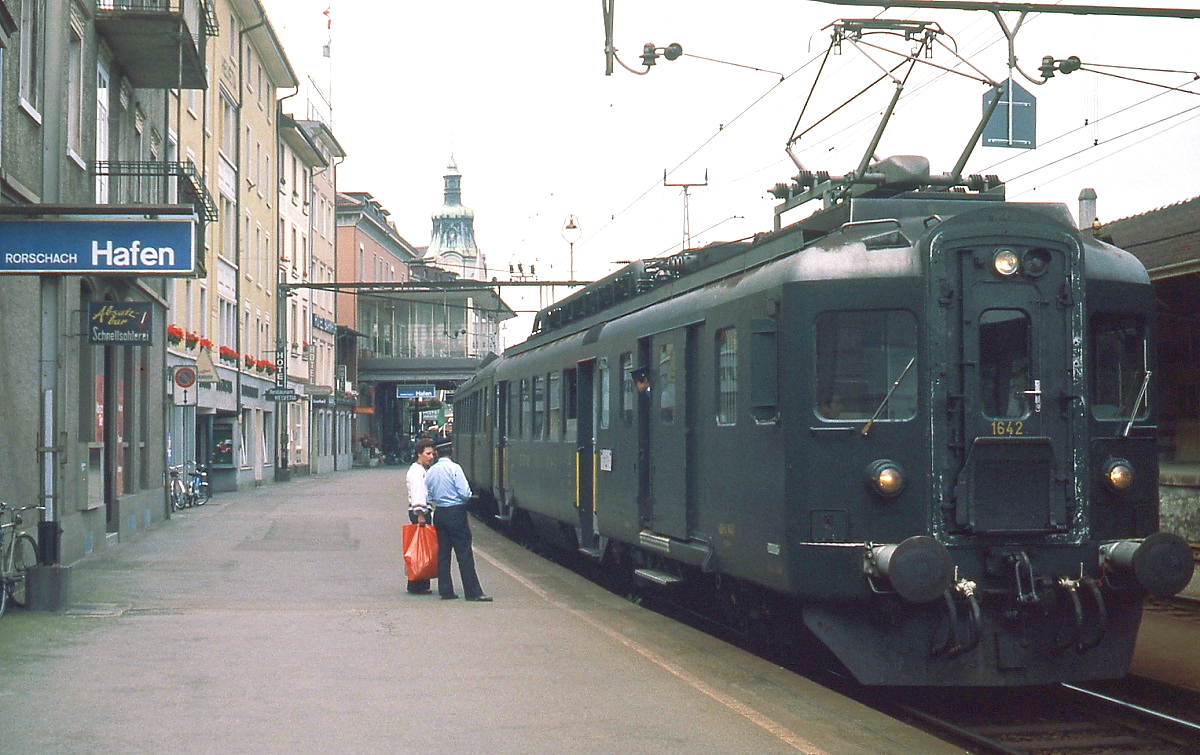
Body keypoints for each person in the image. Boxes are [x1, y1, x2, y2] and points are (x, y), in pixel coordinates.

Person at [426, 442, 492, 602]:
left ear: (437, 453)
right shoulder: (455, 469)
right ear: (452, 452)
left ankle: (446, 591)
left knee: (443, 553)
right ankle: (472, 592)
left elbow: (428, 495)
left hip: (440, 512)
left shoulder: (431, 471)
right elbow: (465, 493)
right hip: (456, 512)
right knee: (464, 553)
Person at [405, 439, 438, 595]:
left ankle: (419, 582)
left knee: (420, 547)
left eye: (432, 453)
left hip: (420, 511)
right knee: (420, 548)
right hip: (420, 512)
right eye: (428, 453)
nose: (431, 457)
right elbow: (418, 493)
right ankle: (417, 582)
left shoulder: (420, 470)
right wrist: (421, 515)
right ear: (419, 454)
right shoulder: (417, 472)